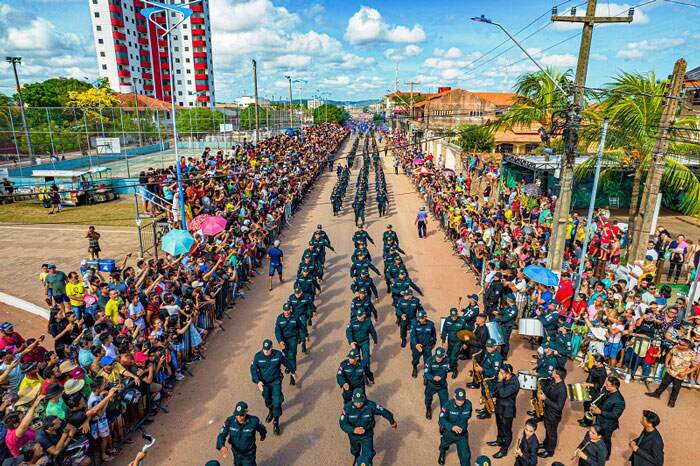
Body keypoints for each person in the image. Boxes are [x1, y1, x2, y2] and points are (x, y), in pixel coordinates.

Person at [339, 388, 397, 464]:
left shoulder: (370, 405)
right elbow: (342, 423)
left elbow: (383, 411)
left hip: (367, 435)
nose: (359, 404)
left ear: (364, 398)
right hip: (353, 436)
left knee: (368, 456)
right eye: (356, 402)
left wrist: (392, 421)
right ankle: (356, 457)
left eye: (361, 401)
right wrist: (353, 430)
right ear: (353, 399)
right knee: (355, 450)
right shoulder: (347, 408)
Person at [250, 339, 288, 435]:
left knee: (277, 402)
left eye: (268, 349)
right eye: (264, 349)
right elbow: (253, 369)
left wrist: (292, 371)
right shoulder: (257, 357)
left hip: (276, 381)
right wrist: (257, 381)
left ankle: (276, 421)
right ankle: (270, 410)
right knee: (267, 400)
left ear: (271, 348)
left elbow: (286, 362)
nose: (266, 351)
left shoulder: (278, 354)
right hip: (264, 384)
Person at [645, 338, 695, 407]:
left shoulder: (692, 354)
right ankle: (657, 394)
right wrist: (667, 365)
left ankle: (672, 401)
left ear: (686, 347)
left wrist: (685, 373)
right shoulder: (675, 348)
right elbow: (669, 355)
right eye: (678, 343)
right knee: (664, 383)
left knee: (676, 388)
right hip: (670, 370)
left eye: (680, 344)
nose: (678, 344)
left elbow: (695, 366)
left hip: (680, 374)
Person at [216, 401, 267, 466]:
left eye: (241, 415)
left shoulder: (254, 421)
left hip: (248, 454)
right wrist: (221, 446)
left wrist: (263, 435)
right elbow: (221, 435)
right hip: (236, 453)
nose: (239, 417)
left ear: (246, 412)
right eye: (237, 414)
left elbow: (262, 429)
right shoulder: (230, 421)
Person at [592, 376, 625, 460]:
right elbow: (600, 399)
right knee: (598, 438)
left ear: (614, 387)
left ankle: (606, 455)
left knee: (606, 440)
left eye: (608, 385)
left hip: (608, 424)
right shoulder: (606, 390)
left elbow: (615, 415)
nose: (605, 386)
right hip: (599, 420)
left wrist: (600, 412)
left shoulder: (619, 401)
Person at [490, 363, 519, 458]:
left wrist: (499, 381)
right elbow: (496, 389)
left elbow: (503, 393)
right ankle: (499, 441)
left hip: (508, 410)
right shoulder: (502, 378)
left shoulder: (515, 383)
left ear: (508, 374)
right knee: (499, 425)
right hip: (499, 406)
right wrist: (494, 396)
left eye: (501, 373)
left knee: (506, 430)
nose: (499, 374)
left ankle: (504, 450)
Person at [537, 368, 567, 458]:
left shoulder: (562, 390)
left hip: (553, 415)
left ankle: (550, 451)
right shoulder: (553, 381)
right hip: (547, 411)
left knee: (552, 433)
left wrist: (545, 399)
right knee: (547, 429)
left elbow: (559, 407)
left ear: (557, 375)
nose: (552, 372)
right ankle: (546, 444)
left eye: (553, 371)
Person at [274, 303, 304, 386]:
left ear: (290, 310)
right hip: (284, 340)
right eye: (285, 310)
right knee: (286, 355)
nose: (286, 312)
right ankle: (289, 366)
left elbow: (301, 327)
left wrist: (303, 335)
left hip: (293, 339)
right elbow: (277, 331)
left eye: (288, 310)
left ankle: (292, 374)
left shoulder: (295, 317)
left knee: (291, 355)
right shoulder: (279, 319)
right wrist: (280, 341)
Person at [424, 347, 450, 419]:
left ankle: (443, 419)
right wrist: (433, 378)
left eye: (440, 357)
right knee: (428, 398)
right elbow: (426, 373)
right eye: (437, 357)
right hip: (431, 385)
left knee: (445, 403)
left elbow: (449, 367)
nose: (438, 359)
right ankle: (428, 408)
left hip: (442, 386)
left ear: (444, 356)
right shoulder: (429, 361)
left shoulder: (447, 360)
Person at [409, 310, 436, 378]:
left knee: (427, 361)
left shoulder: (431, 324)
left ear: (425, 317)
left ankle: (426, 374)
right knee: (415, 359)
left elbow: (433, 335)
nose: (420, 319)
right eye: (419, 318)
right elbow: (413, 336)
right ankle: (415, 368)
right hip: (417, 346)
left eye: (422, 318)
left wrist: (433, 343)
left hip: (427, 346)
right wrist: (416, 344)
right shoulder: (414, 324)